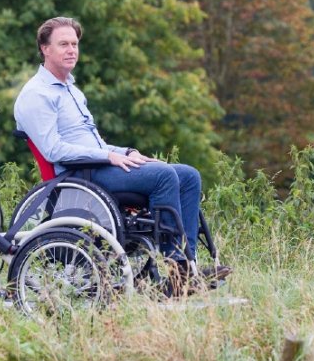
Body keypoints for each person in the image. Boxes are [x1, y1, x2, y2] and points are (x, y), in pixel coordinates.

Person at [14, 16, 230, 283]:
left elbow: (92, 144)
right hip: (76, 177)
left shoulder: (72, 89)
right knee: (162, 175)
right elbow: (53, 150)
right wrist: (108, 156)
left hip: (96, 166)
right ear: (45, 48)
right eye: (63, 44)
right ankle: (175, 269)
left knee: (187, 175)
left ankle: (188, 267)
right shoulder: (37, 94)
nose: (72, 50)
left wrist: (125, 152)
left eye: (75, 44)